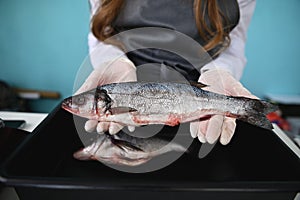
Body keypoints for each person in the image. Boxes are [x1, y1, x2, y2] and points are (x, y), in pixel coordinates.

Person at [77, 0, 257, 145]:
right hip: (124, 101)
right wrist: (114, 61)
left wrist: (218, 72)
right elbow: (101, 33)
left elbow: (233, 43)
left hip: (198, 99)